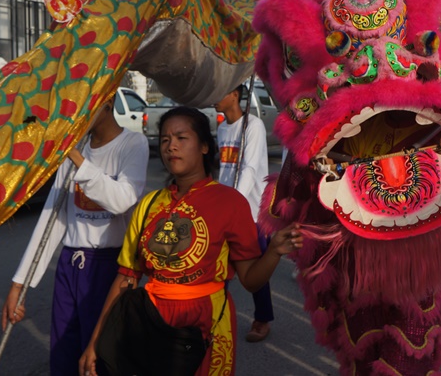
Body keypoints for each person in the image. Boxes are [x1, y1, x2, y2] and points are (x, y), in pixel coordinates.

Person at [79, 107, 302, 376]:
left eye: (181, 138)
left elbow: (251, 280)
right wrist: (96, 341)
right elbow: (125, 278)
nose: (171, 146)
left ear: (205, 147)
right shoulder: (148, 205)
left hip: (208, 326)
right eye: (164, 139)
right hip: (152, 323)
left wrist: (275, 252)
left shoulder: (230, 203)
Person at [2, 97, 149, 375]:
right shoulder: (76, 148)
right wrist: (19, 284)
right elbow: (52, 218)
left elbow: (122, 199)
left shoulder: (133, 144)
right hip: (71, 265)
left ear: (106, 102)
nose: (75, 115)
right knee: (63, 353)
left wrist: (77, 160)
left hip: (109, 267)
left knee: (98, 358)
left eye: (84, 105)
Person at [214, 84, 274, 343]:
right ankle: (214, 316)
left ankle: (262, 319)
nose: (214, 99)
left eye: (220, 92)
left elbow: (249, 168)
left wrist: (233, 204)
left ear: (235, 94)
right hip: (226, 208)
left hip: (249, 211)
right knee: (219, 265)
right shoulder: (221, 129)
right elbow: (224, 169)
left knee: (256, 266)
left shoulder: (254, 126)